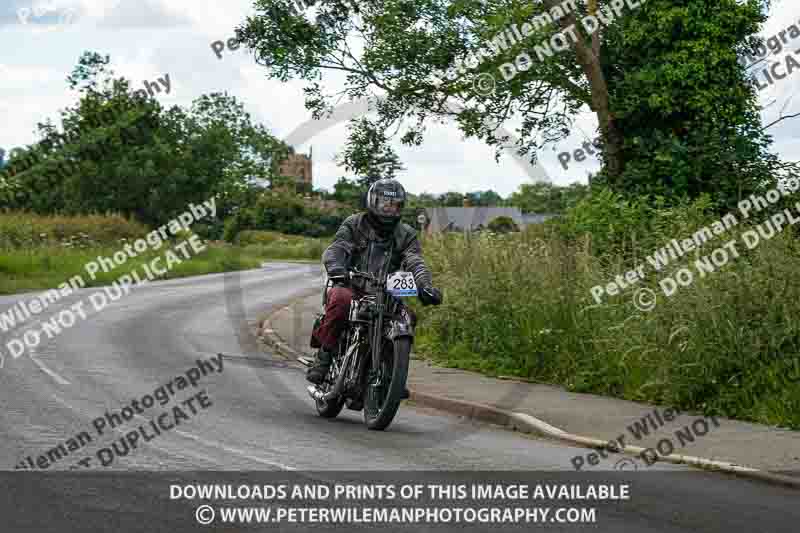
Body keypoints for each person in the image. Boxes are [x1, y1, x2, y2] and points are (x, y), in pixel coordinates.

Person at [306, 178, 443, 385]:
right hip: (353, 284)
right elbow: (337, 247)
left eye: (394, 205)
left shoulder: (406, 234)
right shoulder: (354, 223)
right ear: (373, 202)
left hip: (388, 292)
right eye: (384, 204)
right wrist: (337, 268)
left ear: (401, 207)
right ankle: (324, 357)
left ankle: (391, 377)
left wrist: (425, 285)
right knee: (341, 301)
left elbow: (415, 260)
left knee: (408, 317)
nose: (389, 210)